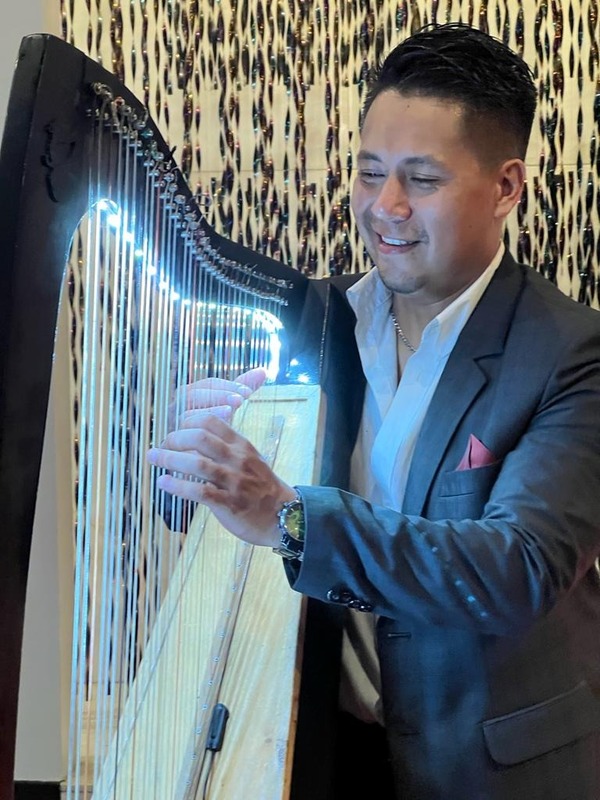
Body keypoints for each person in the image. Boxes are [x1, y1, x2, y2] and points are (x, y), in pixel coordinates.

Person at [146, 22, 600, 800]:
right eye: (368, 173)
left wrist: (289, 516)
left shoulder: (571, 352)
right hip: (322, 743)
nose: (384, 207)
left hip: (492, 766)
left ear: (506, 188)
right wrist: (196, 459)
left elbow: (518, 569)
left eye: (421, 179)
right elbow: (206, 520)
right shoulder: (316, 323)